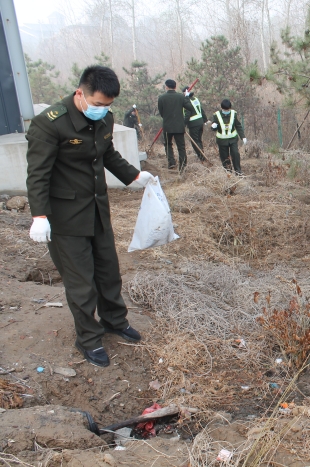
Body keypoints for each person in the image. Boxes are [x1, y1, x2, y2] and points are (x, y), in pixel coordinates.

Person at [25, 65, 154, 368]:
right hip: (65, 217)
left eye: (108, 105)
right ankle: (89, 339)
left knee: (108, 271)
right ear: (80, 94)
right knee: (81, 282)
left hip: (97, 209)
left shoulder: (104, 117)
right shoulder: (50, 124)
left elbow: (106, 153)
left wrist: (133, 175)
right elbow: (37, 174)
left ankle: (114, 321)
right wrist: (40, 215)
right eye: (97, 104)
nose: (102, 110)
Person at [157, 79, 195, 171]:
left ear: (166, 87)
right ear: (175, 87)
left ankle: (171, 162)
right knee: (181, 147)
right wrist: (186, 97)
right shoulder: (181, 97)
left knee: (168, 144)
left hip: (167, 126)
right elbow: (191, 108)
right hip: (179, 126)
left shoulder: (161, 98)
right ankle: (183, 166)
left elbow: (161, 113)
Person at [211, 99, 246, 174]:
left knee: (235, 154)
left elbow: (238, 126)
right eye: (224, 109)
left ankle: (238, 171)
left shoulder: (234, 114)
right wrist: (213, 126)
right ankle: (228, 173)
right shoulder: (216, 115)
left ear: (230, 108)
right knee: (225, 157)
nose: (226, 111)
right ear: (222, 108)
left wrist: (243, 137)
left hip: (233, 139)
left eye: (228, 109)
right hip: (222, 140)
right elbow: (213, 128)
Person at [182, 87, 208, 163]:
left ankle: (202, 158)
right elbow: (201, 110)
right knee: (199, 140)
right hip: (200, 122)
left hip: (193, 124)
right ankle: (202, 155)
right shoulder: (195, 99)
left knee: (195, 142)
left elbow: (187, 114)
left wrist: (183, 124)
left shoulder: (187, 102)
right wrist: (205, 119)